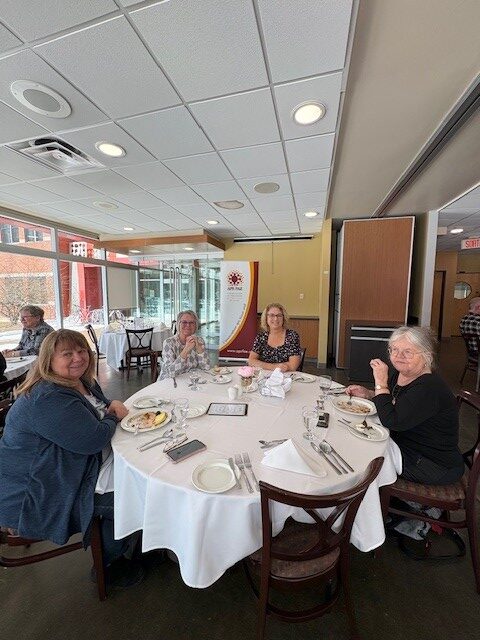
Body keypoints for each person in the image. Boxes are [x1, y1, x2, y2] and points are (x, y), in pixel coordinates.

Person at [0, 329, 143, 586]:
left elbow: (99, 411)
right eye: (67, 354)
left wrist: (109, 411)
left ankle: (134, 540)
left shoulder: (81, 382)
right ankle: (108, 564)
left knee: (140, 479)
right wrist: (113, 415)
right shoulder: (48, 397)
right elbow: (93, 440)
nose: (78, 357)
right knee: (133, 501)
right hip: (39, 490)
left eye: (81, 350)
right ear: (49, 360)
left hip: (70, 466)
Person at [346, 325, 464, 485]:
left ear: (427, 356)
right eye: (394, 350)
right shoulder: (402, 374)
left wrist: (380, 383)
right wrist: (370, 394)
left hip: (431, 463)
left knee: (363, 459)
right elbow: (395, 401)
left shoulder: (429, 387)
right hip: (406, 445)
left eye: (408, 352)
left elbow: (392, 421)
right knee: (356, 439)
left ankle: (358, 493)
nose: (398, 356)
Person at [248, 303, 301, 372]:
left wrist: (262, 365)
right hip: (265, 376)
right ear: (266, 318)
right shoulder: (261, 337)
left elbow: (293, 366)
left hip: (286, 376)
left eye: (279, 315)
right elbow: (251, 361)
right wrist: (274, 367)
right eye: (271, 315)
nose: (276, 319)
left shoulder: (292, 336)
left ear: (283, 318)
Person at [159, 310, 210, 380]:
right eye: (184, 322)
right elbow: (170, 373)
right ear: (178, 324)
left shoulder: (199, 340)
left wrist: (199, 349)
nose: (188, 325)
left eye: (191, 322)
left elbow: (206, 367)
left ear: (195, 325)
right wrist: (186, 350)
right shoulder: (169, 343)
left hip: (190, 380)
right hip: (169, 382)